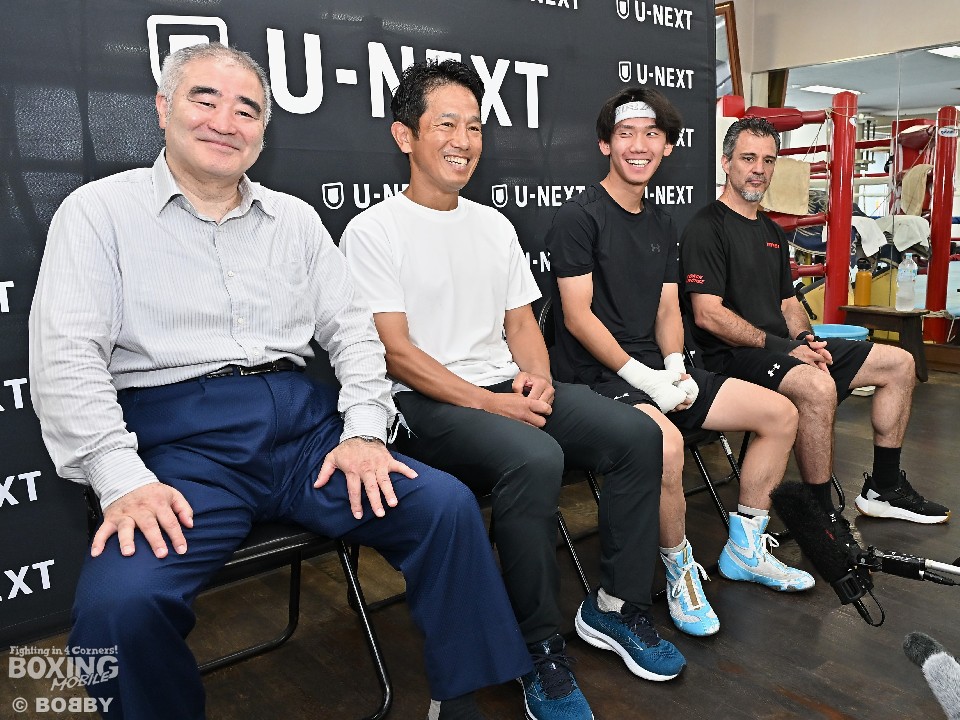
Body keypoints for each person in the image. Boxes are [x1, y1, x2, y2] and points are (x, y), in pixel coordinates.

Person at [28, 43, 533, 720]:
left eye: (247, 110)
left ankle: (460, 701)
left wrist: (364, 433)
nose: (225, 122)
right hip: (180, 452)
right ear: (163, 108)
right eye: (205, 99)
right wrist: (121, 479)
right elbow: (66, 358)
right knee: (117, 609)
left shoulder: (293, 220)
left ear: (264, 131)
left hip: (304, 437)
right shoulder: (97, 212)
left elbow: (354, 335)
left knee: (445, 507)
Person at [341, 60, 685, 720]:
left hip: (503, 388)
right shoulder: (373, 231)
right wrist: (494, 403)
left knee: (637, 434)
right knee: (535, 457)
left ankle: (615, 607)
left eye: (474, 127)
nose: (464, 141)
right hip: (422, 404)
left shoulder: (492, 225)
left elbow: (523, 323)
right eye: (447, 124)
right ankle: (536, 648)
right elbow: (396, 353)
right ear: (404, 136)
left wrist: (538, 381)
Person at [544, 87, 812, 639]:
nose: (639, 145)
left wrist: (672, 365)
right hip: (595, 379)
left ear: (667, 147)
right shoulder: (579, 218)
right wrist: (644, 378)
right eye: (626, 134)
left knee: (781, 413)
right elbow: (577, 317)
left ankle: (745, 548)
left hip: (655, 370)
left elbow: (669, 307)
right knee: (664, 444)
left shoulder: (662, 223)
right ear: (605, 144)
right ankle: (678, 568)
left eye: (652, 135)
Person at [679, 116, 950, 541]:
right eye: (748, 158)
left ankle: (884, 488)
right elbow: (708, 315)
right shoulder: (705, 228)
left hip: (779, 349)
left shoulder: (770, 231)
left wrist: (807, 339)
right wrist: (785, 348)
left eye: (768, 160)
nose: (759, 169)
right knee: (818, 386)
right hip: (729, 359)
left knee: (900, 363)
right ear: (726, 163)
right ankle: (821, 518)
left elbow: (788, 303)